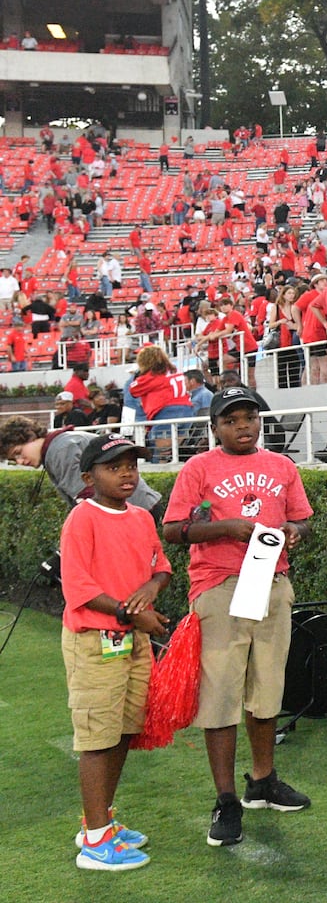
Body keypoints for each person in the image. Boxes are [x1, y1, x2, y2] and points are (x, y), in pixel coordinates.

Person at [161, 387, 314, 848]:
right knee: (221, 696)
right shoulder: (198, 468)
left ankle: (262, 782)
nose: (243, 426)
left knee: (267, 691)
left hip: (270, 583)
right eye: (231, 420)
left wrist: (294, 531)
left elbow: (302, 518)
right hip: (220, 587)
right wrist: (226, 528)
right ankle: (225, 799)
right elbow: (172, 530)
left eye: (249, 417)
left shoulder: (282, 466)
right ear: (215, 428)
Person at [60, 433, 171, 871]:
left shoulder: (141, 518)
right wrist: (134, 614)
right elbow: (79, 589)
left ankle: (101, 819)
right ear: (89, 478)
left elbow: (160, 567)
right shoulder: (81, 519)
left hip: (131, 642)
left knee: (123, 730)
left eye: (132, 464)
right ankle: (94, 842)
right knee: (96, 738)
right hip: (95, 641)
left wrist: (149, 590)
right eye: (114, 466)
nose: (127, 473)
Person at [0, 416, 163, 512]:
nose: (21, 461)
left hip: (134, 510)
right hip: (138, 506)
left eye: (18, 453)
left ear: (30, 435)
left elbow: (88, 501)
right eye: (14, 461)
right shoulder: (59, 445)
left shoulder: (58, 450)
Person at [127, 344, 194, 456]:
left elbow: (133, 389)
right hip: (187, 410)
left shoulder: (152, 377)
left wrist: (139, 374)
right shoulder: (174, 372)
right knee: (175, 451)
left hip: (166, 412)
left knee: (163, 452)